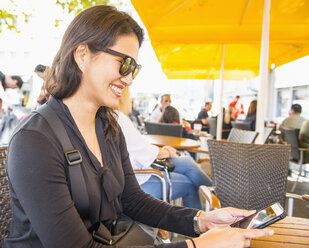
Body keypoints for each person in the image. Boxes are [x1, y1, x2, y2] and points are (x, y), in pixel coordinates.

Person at [4, 5, 273, 248]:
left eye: (135, 68)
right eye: (125, 63)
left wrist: (202, 220)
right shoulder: (35, 140)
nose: (129, 78)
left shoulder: (107, 127)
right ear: (82, 54)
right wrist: (196, 246)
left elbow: (132, 200)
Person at [117, 87, 212, 210]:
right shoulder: (120, 119)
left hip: (139, 170)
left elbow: (139, 147)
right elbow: (145, 152)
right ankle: (216, 197)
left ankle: (215, 195)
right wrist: (166, 151)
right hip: (139, 180)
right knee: (189, 182)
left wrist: (160, 150)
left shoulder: (111, 118)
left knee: (186, 162)